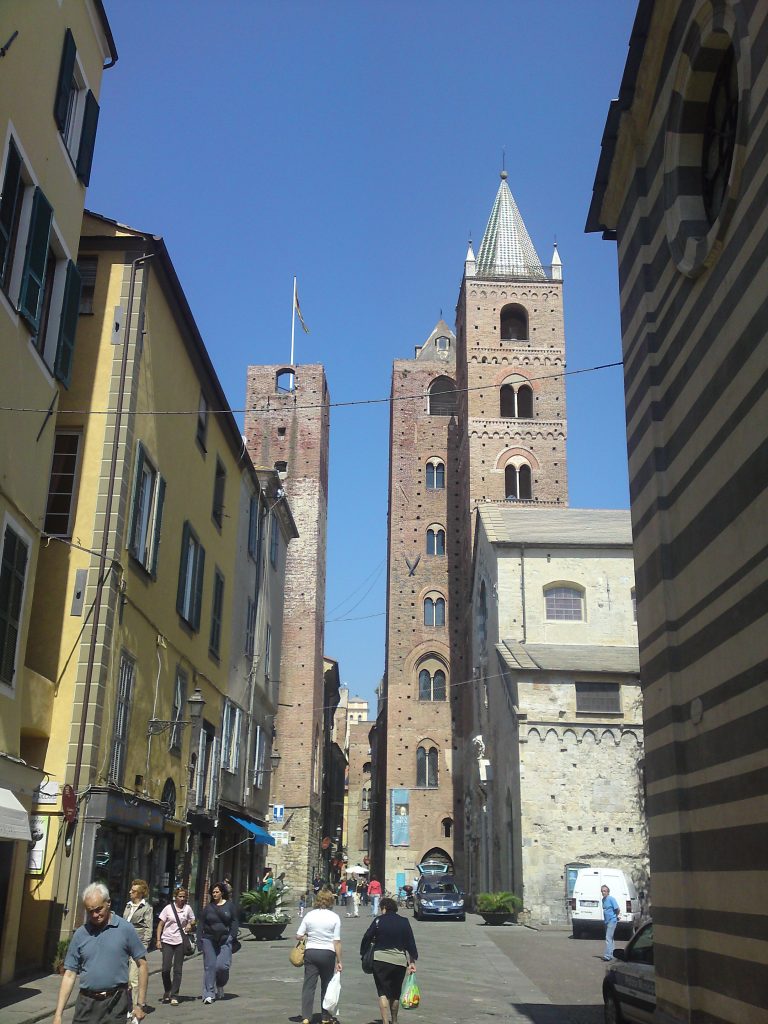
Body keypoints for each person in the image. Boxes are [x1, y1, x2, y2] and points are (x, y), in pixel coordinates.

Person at [53, 882, 148, 1024]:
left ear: (108, 903)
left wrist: (140, 1004)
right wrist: (58, 1015)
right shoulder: (81, 934)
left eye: (98, 909)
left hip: (115, 1003)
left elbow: (142, 965)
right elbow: (69, 974)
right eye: (90, 911)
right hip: (86, 1004)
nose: (95, 915)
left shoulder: (125, 929)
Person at [361, 896, 417, 1024]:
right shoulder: (404, 921)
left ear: (384, 908)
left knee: (383, 992)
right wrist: (412, 961)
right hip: (399, 961)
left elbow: (367, 937)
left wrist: (363, 952)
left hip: (380, 959)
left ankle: (386, 1022)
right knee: (395, 993)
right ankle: (395, 1020)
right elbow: (410, 942)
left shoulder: (378, 921)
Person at [296, 888, 342, 1024]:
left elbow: (298, 935)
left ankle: (306, 1016)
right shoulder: (334, 917)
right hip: (328, 953)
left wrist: (308, 935)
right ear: (330, 901)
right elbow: (337, 941)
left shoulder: (309, 915)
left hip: (311, 952)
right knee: (327, 985)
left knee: (309, 985)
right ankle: (325, 1016)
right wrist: (340, 960)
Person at [199, 881, 239, 1003]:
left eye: (217, 892)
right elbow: (201, 924)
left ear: (222, 893)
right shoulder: (208, 908)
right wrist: (199, 940)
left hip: (225, 938)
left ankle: (220, 984)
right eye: (213, 892)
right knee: (209, 966)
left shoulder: (230, 906)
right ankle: (209, 994)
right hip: (208, 938)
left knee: (222, 966)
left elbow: (234, 922)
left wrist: (232, 935)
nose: (214, 894)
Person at [156, 886, 196, 1005]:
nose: (182, 899)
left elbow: (193, 920)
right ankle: (167, 989)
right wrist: (158, 940)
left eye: (184, 897)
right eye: (180, 896)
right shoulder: (168, 908)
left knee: (178, 970)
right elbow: (160, 924)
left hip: (180, 941)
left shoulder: (187, 908)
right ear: (175, 897)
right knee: (165, 969)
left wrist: (190, 924)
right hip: (167, 940)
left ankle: (174, 995)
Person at [123, 879, 153, 1015]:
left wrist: (144, 946)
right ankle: (127, 1006)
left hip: (136, 946)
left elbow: (148, 928)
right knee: (124, 979)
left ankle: (136, 1007)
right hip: (123, 945)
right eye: (131, 889)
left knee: (133, 978)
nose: (130, 892)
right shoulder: (128, 906)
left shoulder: (146, 908)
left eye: (133, 891)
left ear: (141, 893)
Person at [601, 884, 621, 961]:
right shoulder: (603, 900)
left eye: (605, 891)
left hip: (612, 921)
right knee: (611, 938)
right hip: (606, 921)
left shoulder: (611, 899)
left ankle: (607, 956)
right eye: (602, 891)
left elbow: (617, 909)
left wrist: (615, 916)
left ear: (608, 892)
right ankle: (612, 954)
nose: (603, 892)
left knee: (608, 938)